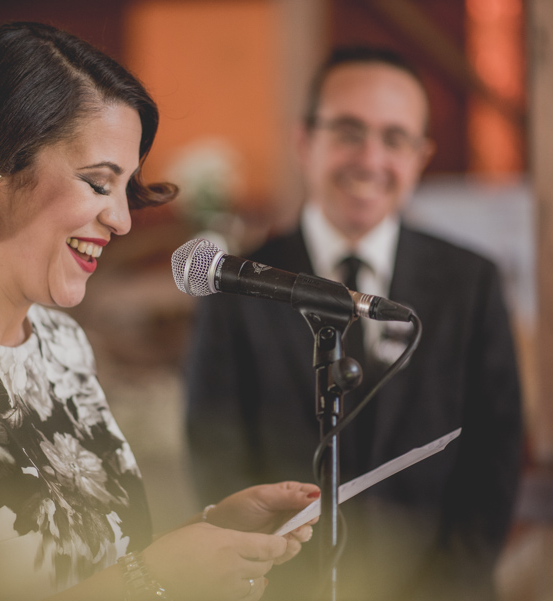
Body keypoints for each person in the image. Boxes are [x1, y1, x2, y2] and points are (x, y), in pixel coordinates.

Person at [0, 22, 319, 601]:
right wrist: (154, 578)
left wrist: (207, 537)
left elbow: (89, 568)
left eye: (125, 189)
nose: (121, 220)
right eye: (99, 184)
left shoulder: (57, 340)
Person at [185, 46, 523, 601]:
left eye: (395, 139)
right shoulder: (239, 285)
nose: (370, 159)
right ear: (304, 141)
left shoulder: (472, 282)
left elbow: (494, 455)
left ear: (420, 156)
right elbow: (215, 452)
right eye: (348, 131)